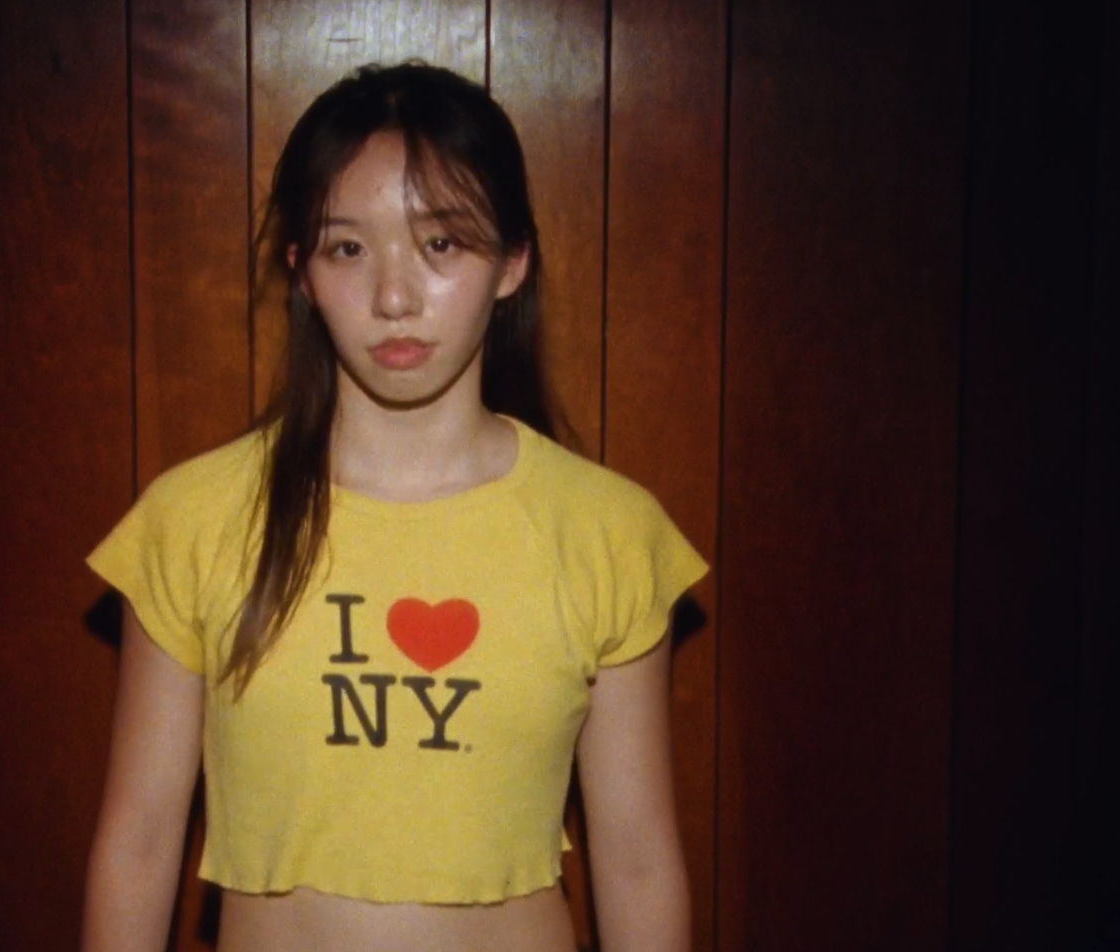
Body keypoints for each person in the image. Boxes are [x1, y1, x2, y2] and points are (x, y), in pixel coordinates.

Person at [82, 62, 706, 952]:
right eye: (348, 248)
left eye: (442, 244)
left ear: (512, 263)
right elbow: (137, 847)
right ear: (301, 272)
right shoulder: (195, 521)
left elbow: (638, 857)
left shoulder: (609, 532)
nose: (395, 297)